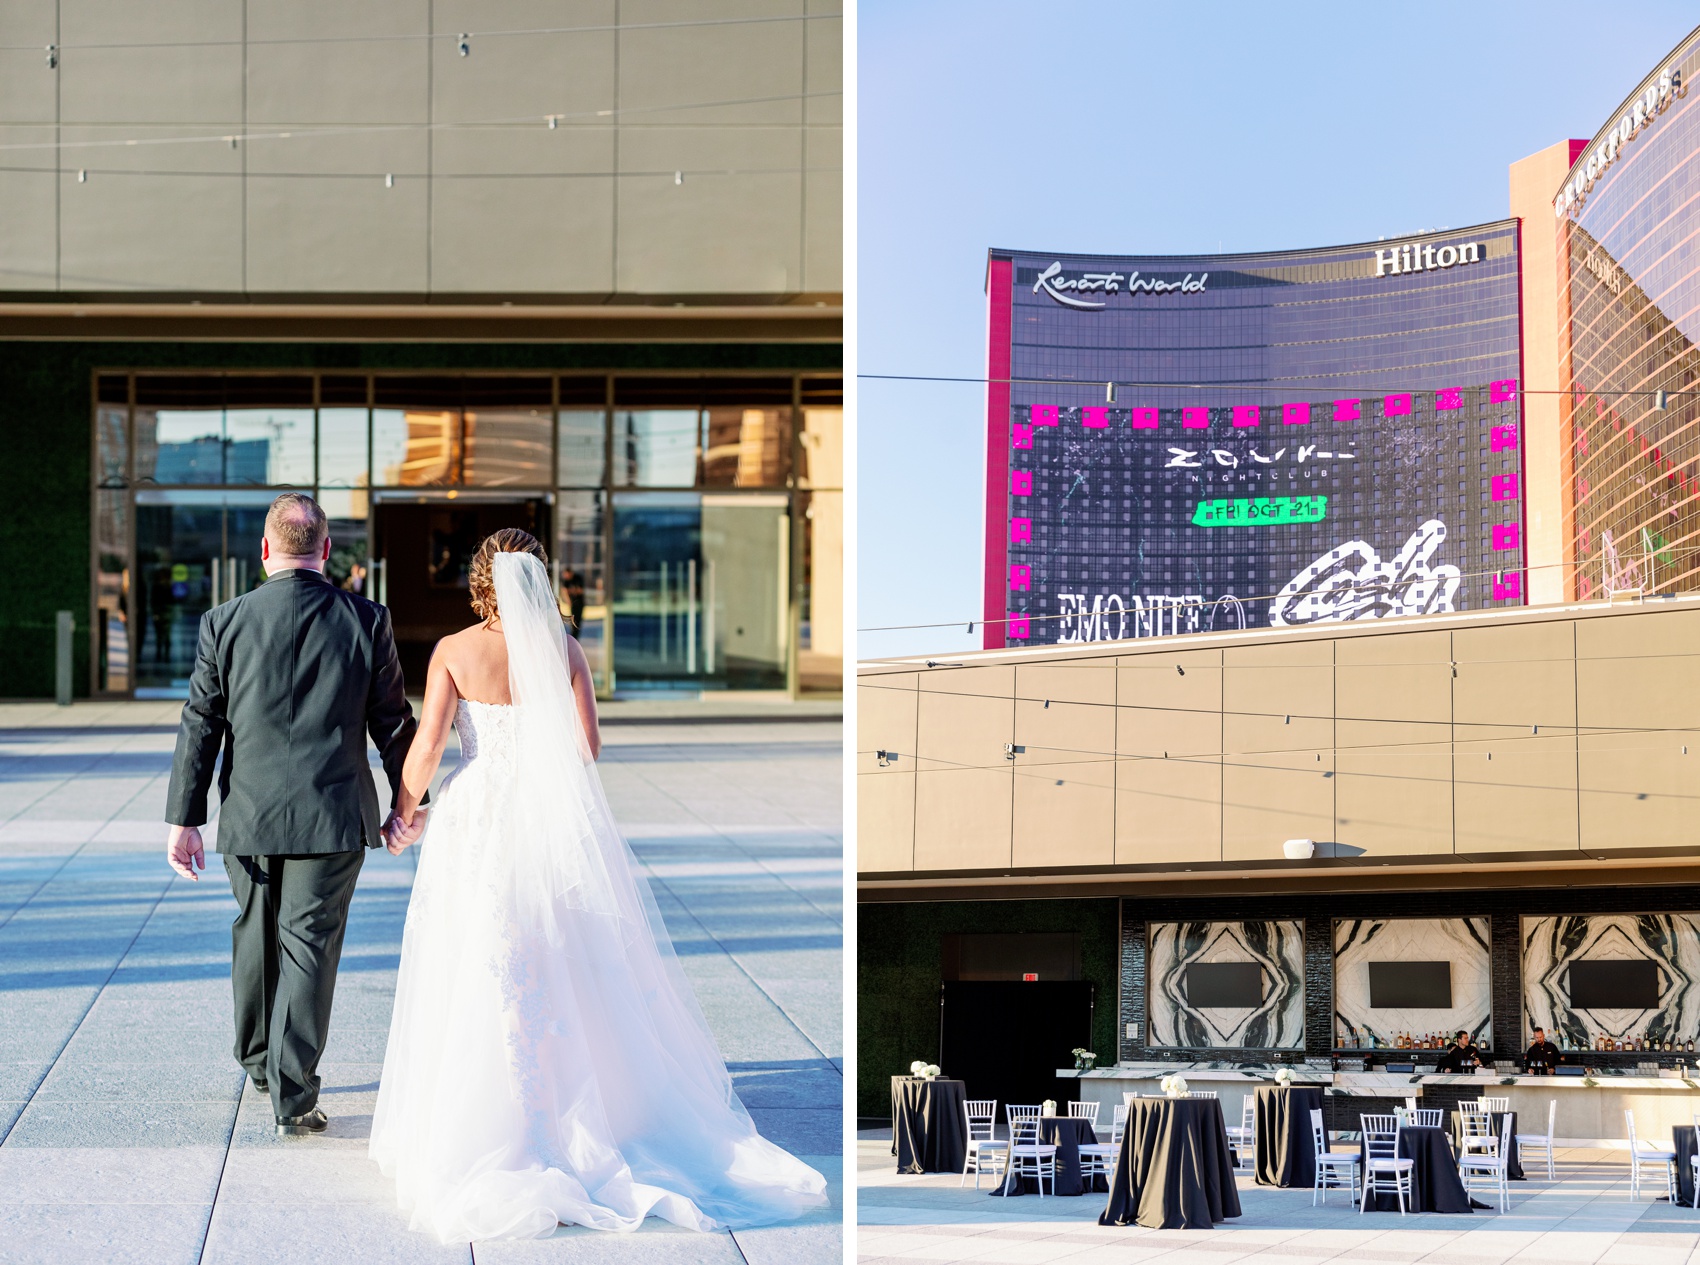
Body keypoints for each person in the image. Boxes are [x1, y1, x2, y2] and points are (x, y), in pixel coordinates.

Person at [369, 529, 827, 1241]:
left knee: (481, 957)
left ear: (481, 581)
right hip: (546, 818)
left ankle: (484, 1115)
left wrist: (405, 810)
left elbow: (426, 745)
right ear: (537, 578)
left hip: (481, 815)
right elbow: (586, 747)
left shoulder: (455, 651)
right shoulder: (564, 649)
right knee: (564, 956)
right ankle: (582, 1106)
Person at [164, 493, 424, 1136]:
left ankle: (258, 1061)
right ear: (327, 551)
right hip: (332, 815)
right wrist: (409, 803)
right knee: (309, 945)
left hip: (249, 815)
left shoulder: (223, 622)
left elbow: (202, 723)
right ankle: (294, 1095)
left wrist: (185, 818)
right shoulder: (367, 619)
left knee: (253, 932)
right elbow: (393, 723)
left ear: (264, 551)